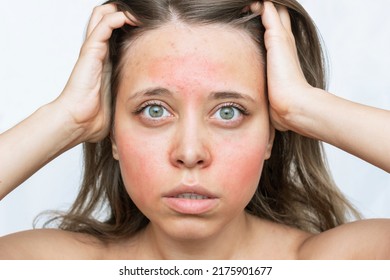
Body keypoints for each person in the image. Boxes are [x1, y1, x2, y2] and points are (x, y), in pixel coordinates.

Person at [0, 0, 389, 259]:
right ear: (113, 133)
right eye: (154, 110)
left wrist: (306, 106)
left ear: (272, 132)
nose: (189, 151)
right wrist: (68, 118)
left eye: (228, 112)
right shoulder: (47, 264)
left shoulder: (339, 263)